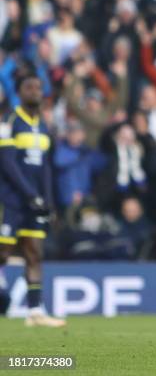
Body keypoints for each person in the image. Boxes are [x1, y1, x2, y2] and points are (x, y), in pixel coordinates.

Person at [0, 73, 65, 326]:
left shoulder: (44, 125)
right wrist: (31, 195)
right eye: (30, 87)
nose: (36, 91)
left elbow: (46, 167)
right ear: (19, 92)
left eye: (39, 87)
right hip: (10, 200)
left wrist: (47, 201)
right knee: (3, 252)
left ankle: (35, 312)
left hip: (35, 201)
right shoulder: (9, 119)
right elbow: (7, 163)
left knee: (34, 253)